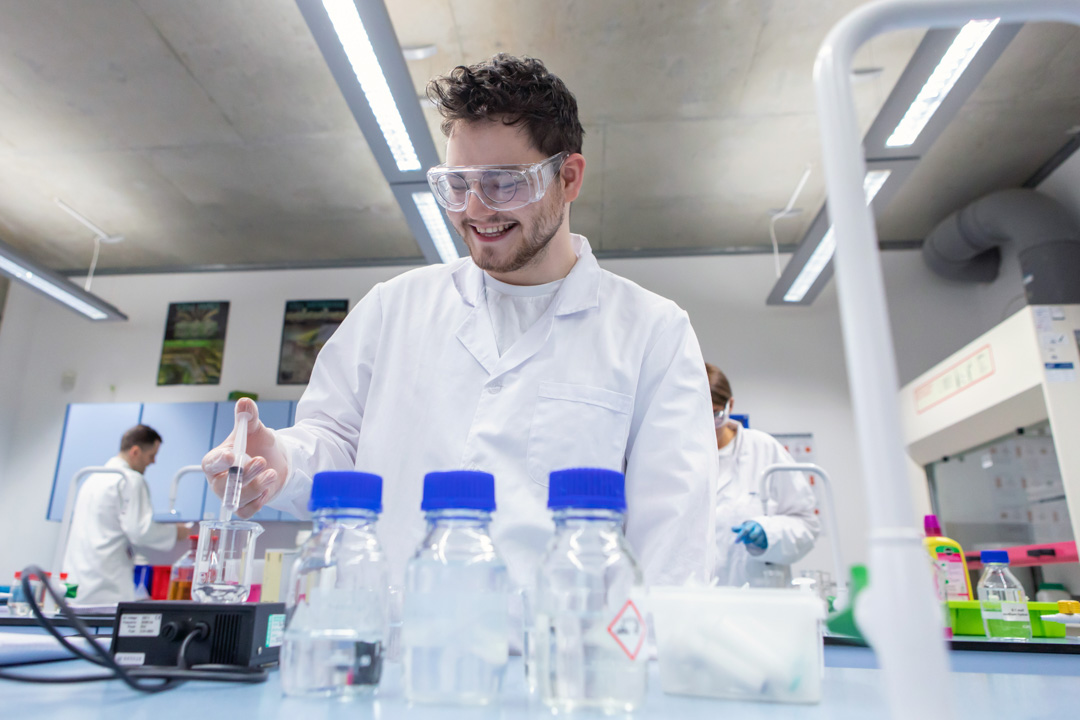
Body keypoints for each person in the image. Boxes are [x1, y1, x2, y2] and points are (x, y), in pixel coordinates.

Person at [202, 54, 718, 593]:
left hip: (557, 662)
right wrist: (281, 461)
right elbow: (333, 439)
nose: (475, 209)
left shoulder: (652, 332)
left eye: (503, 183)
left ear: (568, 177)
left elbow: (673, 545)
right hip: (385, 648)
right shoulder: (392, 308)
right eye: (457, 184)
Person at [707, 363, 820, 587]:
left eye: (716, 415)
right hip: (696, 600)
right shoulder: (679, 457)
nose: (710, 426)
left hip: (758, 598)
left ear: (730, 405)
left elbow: (807, 525)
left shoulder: (765, 449)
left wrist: (770, 533)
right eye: (700, 416)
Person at [62, 425, 186, 604]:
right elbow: (140, 531)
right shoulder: (131, 480)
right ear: (135, 451)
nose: (153, 462)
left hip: (74, 586)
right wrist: (177, 533)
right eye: (151, 456)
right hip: (106, 589)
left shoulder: (91, 478)